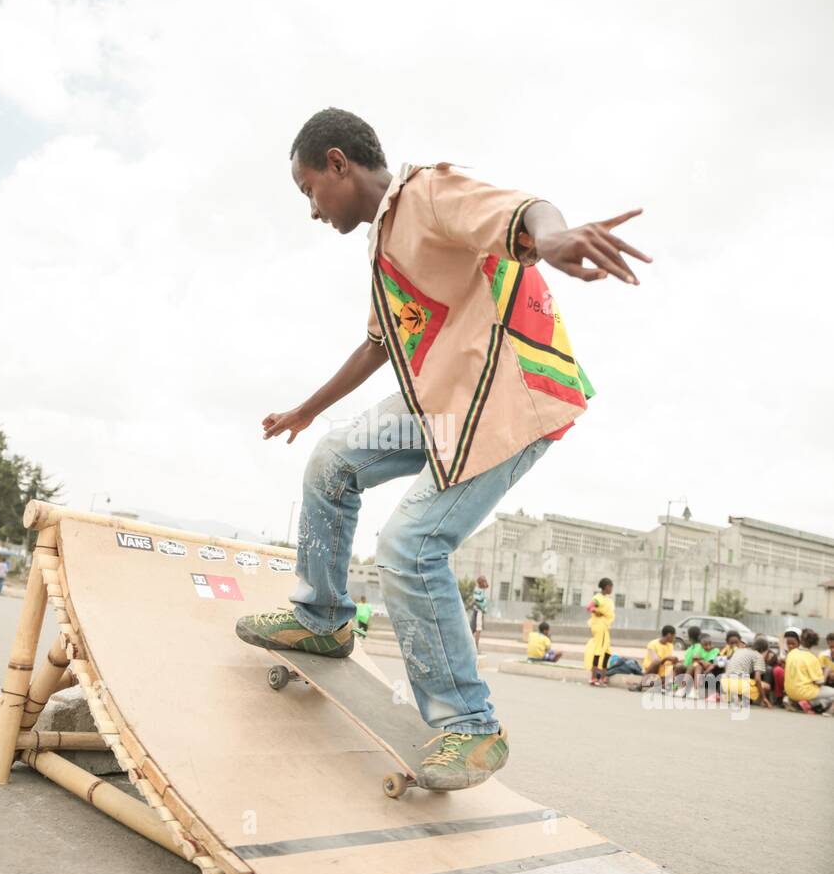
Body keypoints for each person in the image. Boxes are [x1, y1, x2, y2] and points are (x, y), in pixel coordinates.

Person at [235, 108, 651, 791]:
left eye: (309, 189)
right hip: (440, 400)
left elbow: (523, 210)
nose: (311, 209)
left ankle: (469, 727)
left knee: (410, 546)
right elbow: (379, 344)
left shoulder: (424, 194)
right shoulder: (382, 247)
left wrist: (549, 239)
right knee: (333, 461)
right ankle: (322, 618)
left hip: (510, 397)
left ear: (339, 163)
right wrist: (309, 410)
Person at [784, 630, 834, 714]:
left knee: (826, 696)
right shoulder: (812, 658)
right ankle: (818, 707)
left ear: (800, 639)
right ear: (814, 643)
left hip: (789, 691)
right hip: (804, 692)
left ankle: (792, 701)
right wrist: (826, 672)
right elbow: (820, 683)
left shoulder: (791, 653)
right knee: (831, 694)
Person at [721, 636, 771, 708]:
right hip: (737, 684)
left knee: (744, 680)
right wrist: (764, 697)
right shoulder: (758, 656)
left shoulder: (740, 650)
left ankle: (735, 697)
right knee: (766, 687)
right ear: (764, 650)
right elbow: (757, 679)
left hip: (724, 683)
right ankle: (756, 701)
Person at [584, 577, 615, 687]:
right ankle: (593, 678)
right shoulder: (598, 597)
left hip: (605, 626)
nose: (612, 589)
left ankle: (602, 678)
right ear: (606, 587)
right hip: (599, 625)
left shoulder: (607, 599)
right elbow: (589, 606)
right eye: (611, 586)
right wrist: (595, 611)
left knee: (607, 651)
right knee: (598, 650)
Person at [682, 632, 721, 699]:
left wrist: (700, 661)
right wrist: (700, 661)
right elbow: (694, 660)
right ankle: (683, 688)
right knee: (691, 667)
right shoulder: (700, 650)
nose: (708, 646)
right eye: (705, 645)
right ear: (701, 645)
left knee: (698, 667)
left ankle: (695, 690)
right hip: (699, 668)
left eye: (710, 644)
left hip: (709, 670)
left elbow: (709, 664)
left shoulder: (715, 651)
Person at [469, 575, 489, 651]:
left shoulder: (480, 590)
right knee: (477, 629)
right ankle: (475, 647)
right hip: (478, 611)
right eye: (484, 581)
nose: (485, 583)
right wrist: (482, 608)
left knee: (476, 629)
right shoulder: (478, 590)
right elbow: (476, 601)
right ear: (481, 582)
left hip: (480, 611)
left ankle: (474, 647)